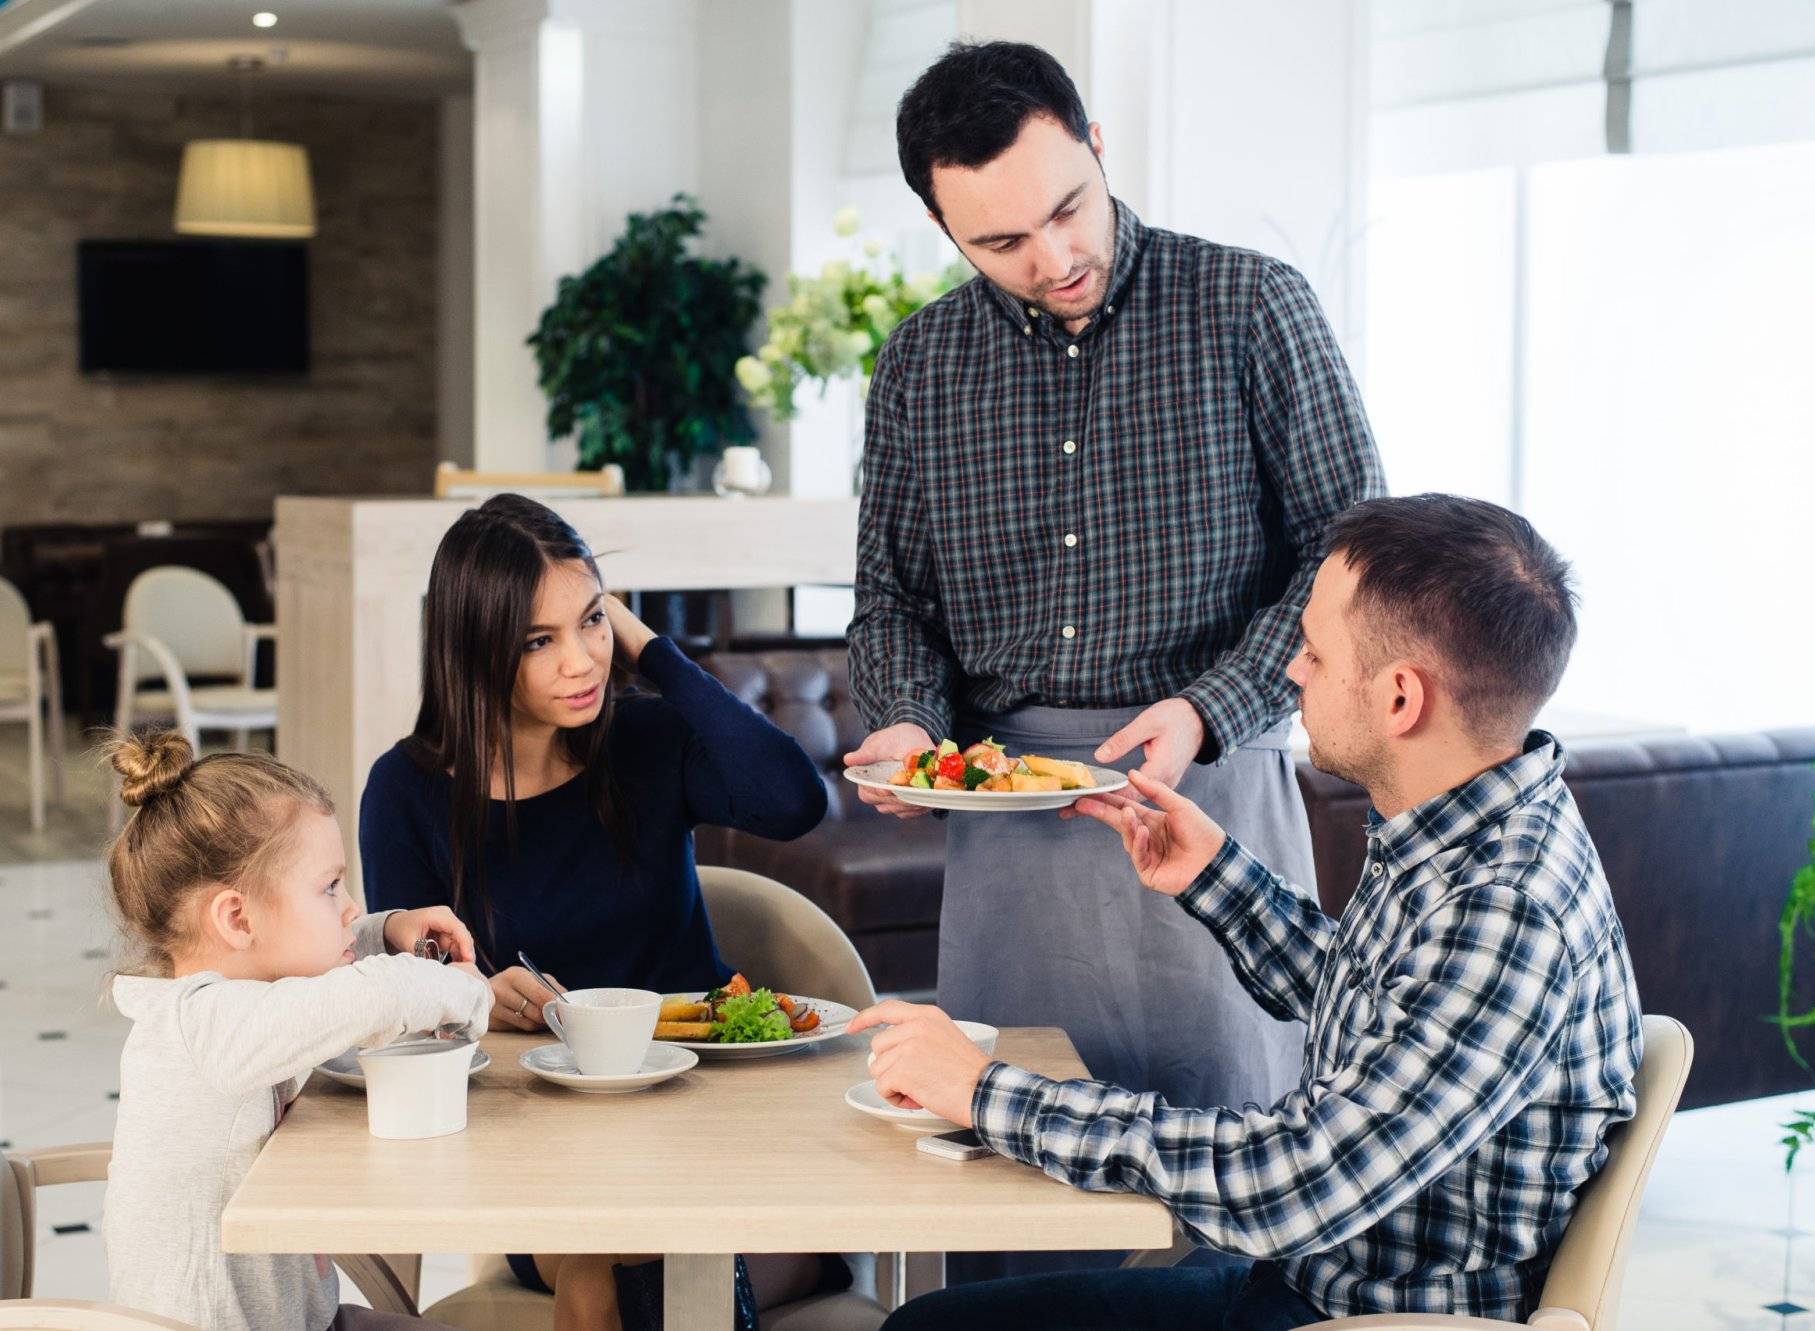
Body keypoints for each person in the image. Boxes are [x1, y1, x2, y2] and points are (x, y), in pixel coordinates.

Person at [852, 495, 1643, 1329]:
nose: (1292, 672)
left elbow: (1294, 1182)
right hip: (1302, 1286)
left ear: (1402, 698)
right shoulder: (1468, 826)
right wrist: (1216, 876)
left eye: (1313, 652)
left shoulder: (1507, 909)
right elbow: (1380, 1008)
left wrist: (984, 1091)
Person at [845, 40, 1386, 1162]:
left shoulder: (1248, 307)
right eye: (999, 240)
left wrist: (1207, 708)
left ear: (1095, 146)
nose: (1052, 257)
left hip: (1210, 792)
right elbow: (891, 597)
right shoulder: (916, 366)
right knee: (1005, 1147)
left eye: (1067, 209)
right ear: (945, 232)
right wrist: (907, 723)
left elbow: (1350, 556)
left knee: (1231, 1147)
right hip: (1007, 826)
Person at [359, 493, 844, 1330]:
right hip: (545, 1148)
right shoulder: (405, 791)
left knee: (630, 1282)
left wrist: (651, 648)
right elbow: (404, 1001)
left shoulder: (648, 741)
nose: (581, 662)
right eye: (537, 641)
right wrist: (477, 1002)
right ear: (476, 653)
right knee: (600, 1276)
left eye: (591, 622)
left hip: (711, 1125)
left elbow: (796, 799)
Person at [100, 729, 491, 1331]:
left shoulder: (242, 1003)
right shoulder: (203, 1029)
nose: (349, 906)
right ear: (236, 917)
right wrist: (467, 992)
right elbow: (365, 997)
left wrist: (389, 931)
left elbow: (312, 973)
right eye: (329, 886)